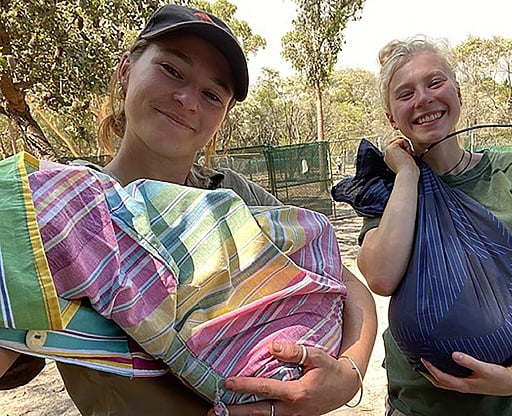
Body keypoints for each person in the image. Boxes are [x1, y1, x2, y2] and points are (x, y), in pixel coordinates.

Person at [0, 4, 376, 416]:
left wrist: (348, 375)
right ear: (126, 70)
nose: (187, 100)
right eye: (172, 70)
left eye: (212, 94)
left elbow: (345, 282)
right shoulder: (61, 207)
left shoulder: (234, 195)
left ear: (223, 118)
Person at [351, 36, 512, 415]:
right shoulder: (392, 190)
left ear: (458, 94)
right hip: (421, 404)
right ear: (391, 119)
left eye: (435, 82)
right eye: (405, 93)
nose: (423, 98)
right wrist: (409, 174)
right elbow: (381, 277)